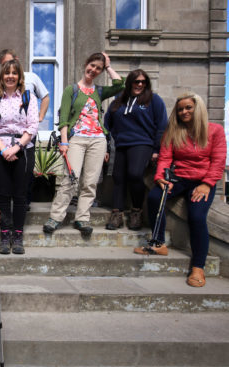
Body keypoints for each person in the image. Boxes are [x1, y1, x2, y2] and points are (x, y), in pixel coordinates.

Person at [134, 92, 226, 287]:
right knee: (154, 197)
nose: (184, 112)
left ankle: (198, 267)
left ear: (197, 109)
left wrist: (207, 184)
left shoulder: (215, 131)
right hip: (178, 178)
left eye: (188, 108)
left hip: (202, 180)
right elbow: (165, 157)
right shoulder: (173, 131)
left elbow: (218, 161)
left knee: (197, 216)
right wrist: (160, 178)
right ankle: (158, 243)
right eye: (181, 109)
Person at [43, 52, 124, 236]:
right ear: (86, 64)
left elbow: (120, 86)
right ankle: (55, 217)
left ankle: (82, 218)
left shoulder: (99, 91)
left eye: (98, 68)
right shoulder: (71, 90)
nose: (94, 70)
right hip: (76, 140)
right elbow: (63, 118)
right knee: (70, 179)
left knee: (90, 182)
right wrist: (64, 141)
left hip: (98, 140)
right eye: (92, 65)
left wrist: (109, 66)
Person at [104, 69, 168, 230]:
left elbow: (161, 126)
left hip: (142, 143)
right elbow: (108, 122)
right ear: (130, 82)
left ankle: (136, 212)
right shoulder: (119, 100)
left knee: (135, 174)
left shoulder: (154, 100)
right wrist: (112, 138)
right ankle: (117, 213)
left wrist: (156, 149)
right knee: (118, 177)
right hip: (121, 144)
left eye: (143, 82)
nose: (140, 84)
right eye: (136, 81)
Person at [0, 59, 39, 254]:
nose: (10, 76)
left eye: (14, 73)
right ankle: (5, 234)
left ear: (19, 77)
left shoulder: (28, 98)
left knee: (19, 195)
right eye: (7, 73)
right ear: (2, 77)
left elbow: (32, 126)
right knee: (2, 195)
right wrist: (3, 150)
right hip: (1, 150)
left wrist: (16, 148)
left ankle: (18, 235)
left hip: (23, 150)